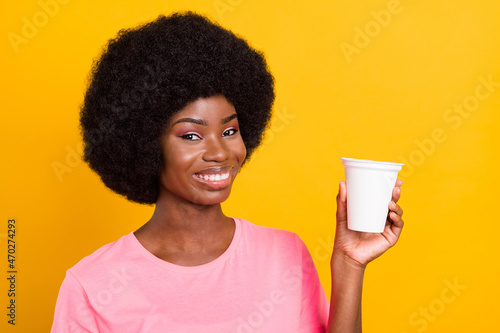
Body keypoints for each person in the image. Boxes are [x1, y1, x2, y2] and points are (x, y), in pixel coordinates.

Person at [51, 12, 404, 333]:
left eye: (230, 130)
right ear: (143, 142)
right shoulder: (92, 286)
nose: (220, 152)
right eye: (191, 135)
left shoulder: (285, 255)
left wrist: (349, 263)